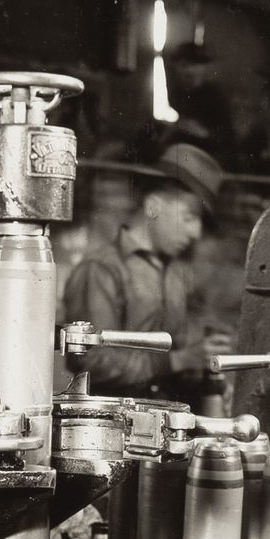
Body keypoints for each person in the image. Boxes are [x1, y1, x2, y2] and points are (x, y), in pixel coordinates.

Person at [61, 142, 232, 397]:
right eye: (189, 217)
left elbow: (180, 357)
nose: (195, 233)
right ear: (153, 206)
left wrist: (204, 366)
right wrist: (180, 361)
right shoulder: (102, 270)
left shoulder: (175, 275)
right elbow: (89, 361)